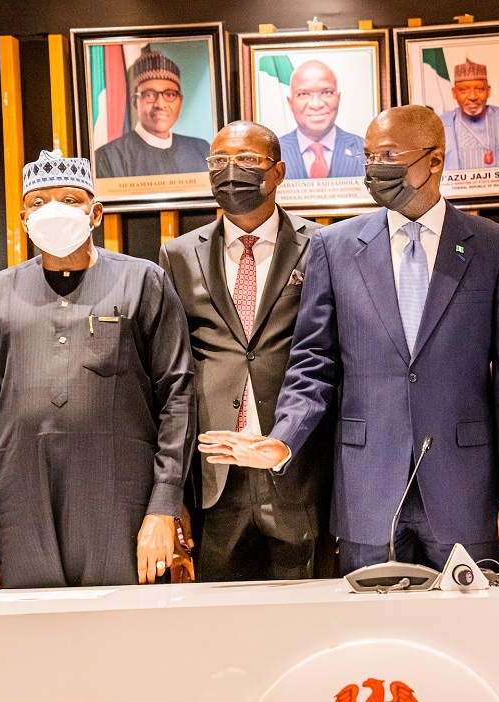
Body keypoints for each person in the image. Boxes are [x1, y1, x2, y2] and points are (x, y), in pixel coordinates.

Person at [199, 105, 499, 575]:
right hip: (366, 491)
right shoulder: (335, 246)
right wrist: (284, 439)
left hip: (465, 488)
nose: (375, 169)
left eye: (389, 155)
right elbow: (313, 361)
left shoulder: (496, 248)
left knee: (469, 632)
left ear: (435, 160)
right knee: (370, 638)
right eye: (369, 156)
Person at [0, 149, 194, 589]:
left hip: (122, 503)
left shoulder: (143, 281)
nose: (53, 210)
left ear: (95, 212)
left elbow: (178, 396)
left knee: (122, 639)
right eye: (38, 203)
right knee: (31, 640)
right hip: (17, 506)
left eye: (69, 199)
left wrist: (163, 505)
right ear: (22, 219)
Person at [159, 122, 334, 581]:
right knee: (222, 621)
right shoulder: (177, 254)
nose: (230, 172)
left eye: (248, 161)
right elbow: (172, 369)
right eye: (218, 162)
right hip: (214, 474)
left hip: (297, 464)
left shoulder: (323, 247)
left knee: (305, 618)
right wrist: (172, 490)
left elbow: (330, 354)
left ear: (277, 172)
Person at [95, 51, 211, 178]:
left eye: (170, 94)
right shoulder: (108, 158)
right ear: (135, 102)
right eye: (149, 95)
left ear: (180, 101)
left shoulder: (201, 149)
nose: (160, 104)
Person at [278, 60, 365, 179]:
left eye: (326, 92)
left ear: (338, 98)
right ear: (290, 102)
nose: (316, 104)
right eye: (303, 94)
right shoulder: (274, 152)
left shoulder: (364, 149)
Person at [440, 59, 499, 170]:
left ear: (488, 91)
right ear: (454, 93)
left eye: (479, 89)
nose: (472, 97)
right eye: (463, 90)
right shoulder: (437, 126)